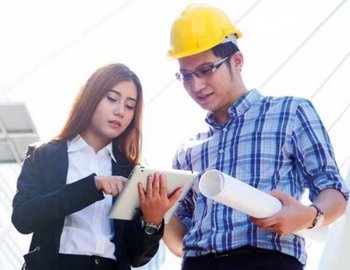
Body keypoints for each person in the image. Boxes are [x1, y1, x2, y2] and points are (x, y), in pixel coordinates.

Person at [163, 4, 349, 270]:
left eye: (206, 70)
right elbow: (180, 235)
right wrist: (154, 213)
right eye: (186, 75)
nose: (196, 85)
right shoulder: (187, 150)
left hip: (268, 261)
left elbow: (334, 190)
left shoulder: (291, 113)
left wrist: (309, 216)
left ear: (236, 61)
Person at [11, 63, 182, 270]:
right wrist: (92, 186)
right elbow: (23, 218)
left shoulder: (131, 171)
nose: (120, 112)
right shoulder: (45, 155)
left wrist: (152, 222)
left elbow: (137, 257)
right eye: (112, 99)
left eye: (130, 106)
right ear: (91, 96)